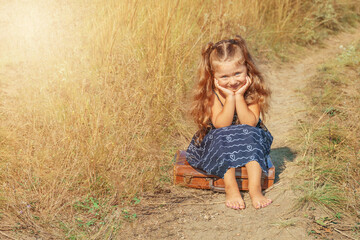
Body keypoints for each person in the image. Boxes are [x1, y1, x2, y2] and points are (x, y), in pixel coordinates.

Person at [186, 35, 273, 210]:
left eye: (237, 74)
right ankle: (231, 187)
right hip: (218, 141)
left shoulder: (251, 91)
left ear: (247, 69)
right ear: (213, 76)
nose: (232, 81)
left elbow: (250, 122)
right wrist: (229, 98)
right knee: (223, 135)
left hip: (250, 140)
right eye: (224, 76)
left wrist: (239, 96)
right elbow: (221, 124)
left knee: (250, 133)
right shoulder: (213, 94)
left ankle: (255, 190)